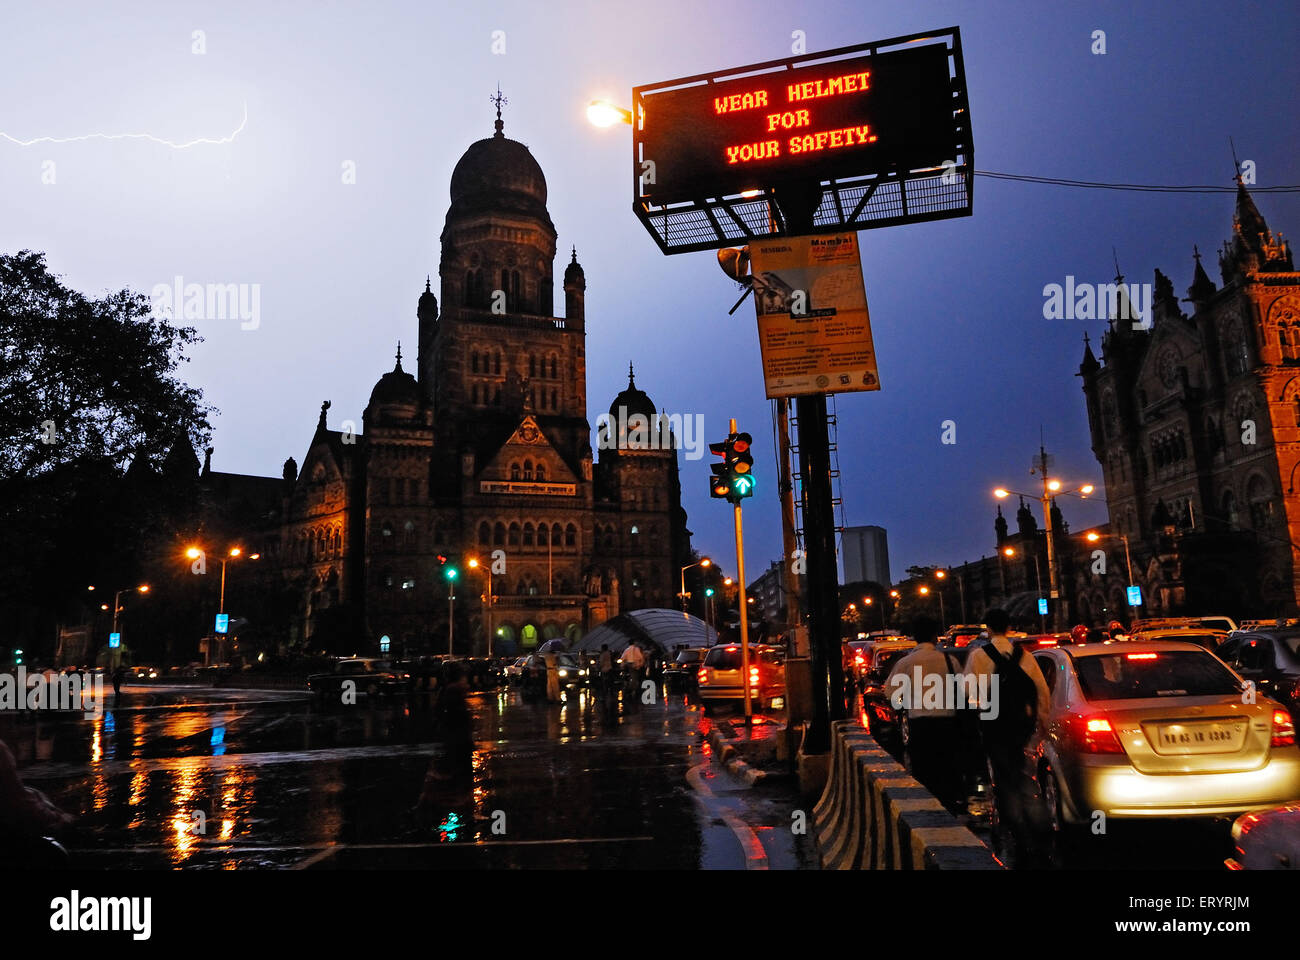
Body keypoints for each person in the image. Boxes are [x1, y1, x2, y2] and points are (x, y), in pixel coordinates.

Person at [965, 607, 1052, 868]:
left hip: (994, 726)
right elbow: (1042, 692)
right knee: (1020, 771)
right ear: (1009, 628)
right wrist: (1040, 725)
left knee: (1004, 776)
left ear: (988, 629)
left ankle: (1019, 831)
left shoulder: (979, 656)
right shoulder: (1024, 655)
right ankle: (1038, 827)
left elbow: (970, 693)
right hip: (1021, 725)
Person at [885, 617, 962, 810]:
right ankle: (950, 809)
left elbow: (890, 693)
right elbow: (964, 690)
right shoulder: (949, 661)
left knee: (924, 772)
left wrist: (905, 702)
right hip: (948, 725)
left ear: (914, 638)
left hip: (921, 726)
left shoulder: (906, 663)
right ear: (935, 637)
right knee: (948, 770)